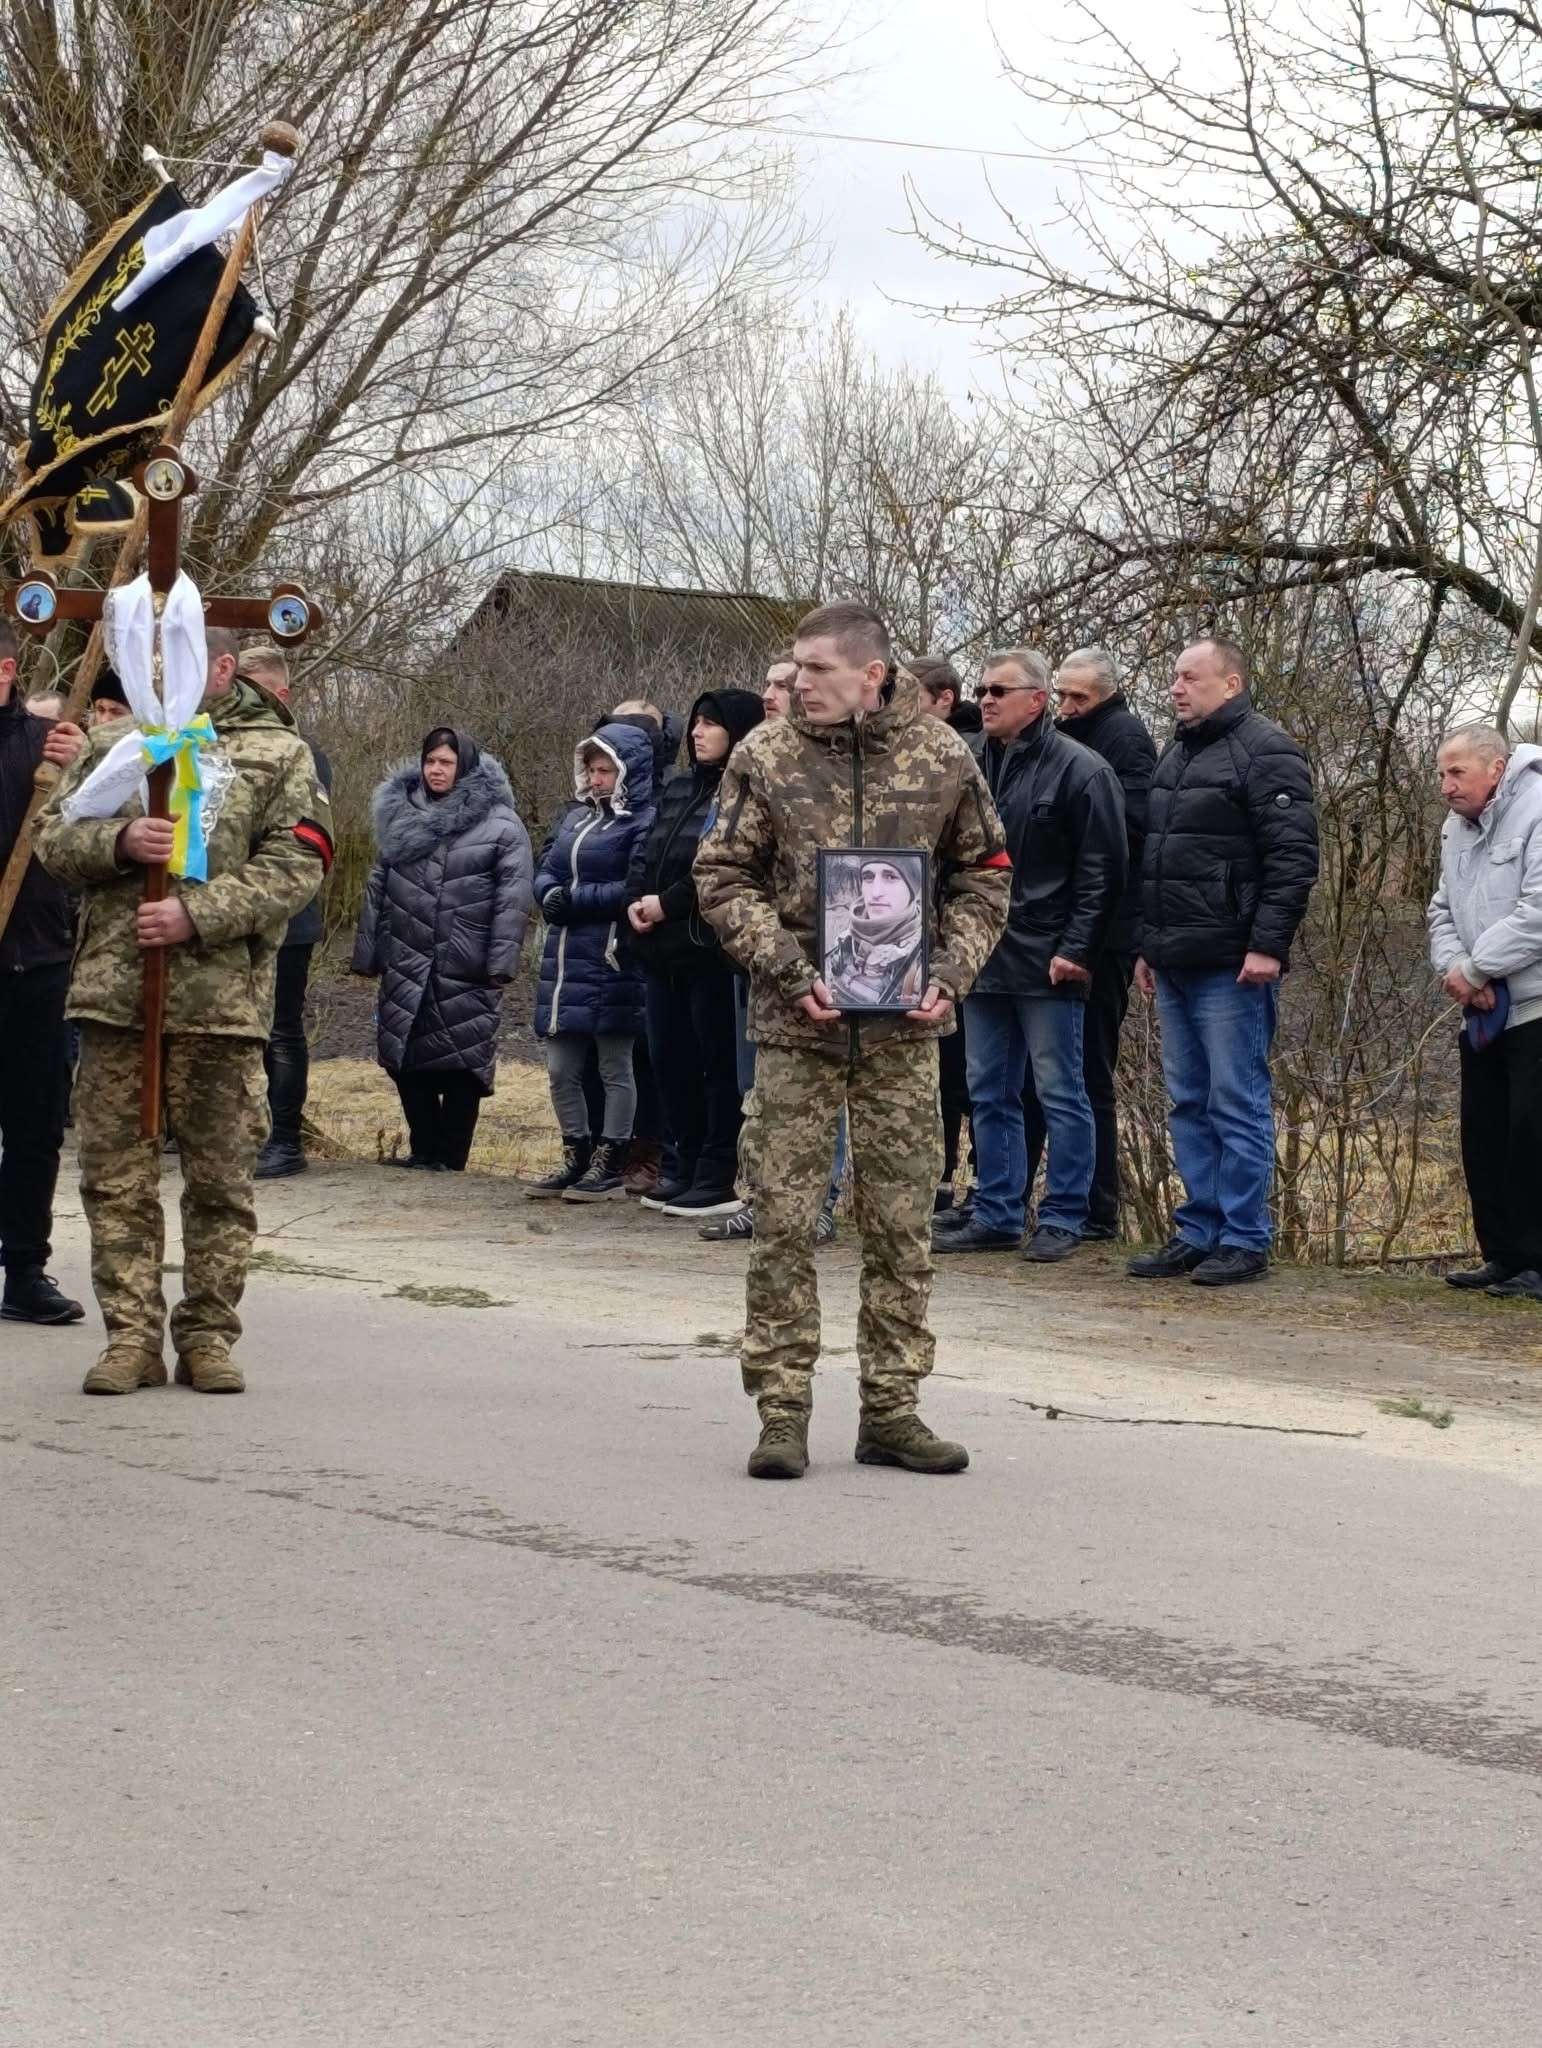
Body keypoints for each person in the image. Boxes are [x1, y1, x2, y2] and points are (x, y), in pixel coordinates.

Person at [695, 600, 1011, 1480]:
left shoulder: (944, 756)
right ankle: (783, 1411)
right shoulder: (767, 755)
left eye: (820, 670)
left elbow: (985, 877)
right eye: (794, 669)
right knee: (786, 1221)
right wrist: (792, 974)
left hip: (905, 1035)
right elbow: (721, 876)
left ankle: (892, 1409)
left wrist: (950, 974)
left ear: (873, 675)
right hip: (798, 1026)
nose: (799, 685)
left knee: (903, 1225)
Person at [35, 626, 333, 1394]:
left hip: (219, 1005)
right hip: (115, 997)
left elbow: (300, 862)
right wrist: (121, 840)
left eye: (175, 664)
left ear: (223, 667)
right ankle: (130, 1337)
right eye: (149, 663)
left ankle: (206, 1334)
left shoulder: (278, 753)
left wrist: (199, 914)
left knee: (219, 1183)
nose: (154, 675)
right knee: (115, 1181)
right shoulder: (115, 744)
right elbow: (51, 841)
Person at [1127, 638, 1318, 1287]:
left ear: (1230, 683)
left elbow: (1292, 859)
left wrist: (1268, 943)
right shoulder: (1176, 753)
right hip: (1174, 960)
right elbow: (1155, 860)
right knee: (1187, 1101)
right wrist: (1146, 950)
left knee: (1235, 1100)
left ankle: (1243, 1237)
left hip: (1233, 964)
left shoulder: (1267, 751)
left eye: (1190, 677)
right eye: (1173, 676)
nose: (1176, 687)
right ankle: (1198, 1231)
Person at [936, 648, 1126, 1261]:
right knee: (987, 1088)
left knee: (1058, 1090)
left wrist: (1079, 949)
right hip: (983, 952)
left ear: (1036, 700)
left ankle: (1066, 1215)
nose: (986, 699)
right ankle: (997, 1209)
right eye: (983, 689)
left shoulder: (1082, 770)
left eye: (1000, 690)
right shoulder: (965, 766)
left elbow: (1103, 871)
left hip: (1050, 958)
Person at [701, 651, 845, 1247]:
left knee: (821, 1089)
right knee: (756, 1090)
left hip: (822, 961)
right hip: (756, 956)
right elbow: (724, 866)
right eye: (766, 683)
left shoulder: (825, 770)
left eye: (784, 685)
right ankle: (759, 1197)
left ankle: (822, 1202)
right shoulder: (753, 763)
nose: (771, 694)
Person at [1017, 647, 1157, 1239]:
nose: (1069, 708)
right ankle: (1025, 1192)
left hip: (1104, 932)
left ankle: (1098, 1204)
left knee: (1086, 1070)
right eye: (1063, 695)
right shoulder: (1055, 742)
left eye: (1081, 698)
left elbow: (1125, 828)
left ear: (1105, 695)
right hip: (1058, 923)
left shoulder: (1122, 738)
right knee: (1038, 1076)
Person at [353, 727, 533, 1173]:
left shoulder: (501, 824)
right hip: (407, 956)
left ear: (465, 766)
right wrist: (369, 952)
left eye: (446, 762)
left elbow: (513, 898)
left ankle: (450, 1160)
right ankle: (424, 1150)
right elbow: (377, 887)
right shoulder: (400, 815)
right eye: (430, 760)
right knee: (404, 1057)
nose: (436, 769)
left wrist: (500, 962)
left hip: (464, 960)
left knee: (462, 1064)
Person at [627, 688, 765, 1215]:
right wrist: (634, 902)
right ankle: (681, 1163)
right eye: (696, 723)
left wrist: (666, 904)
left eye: (711, 723)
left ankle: (716, 1170)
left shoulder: (743, 790)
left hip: (708, 949)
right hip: (661, 949)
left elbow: (716, 867)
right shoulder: (681, 785)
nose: (696, 732)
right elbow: (648, 851)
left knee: (716, 1065)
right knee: (669, 1061)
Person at [1428, 725, 1542, 1300]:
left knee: (1532, 1137)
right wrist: (1460, 973)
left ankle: (1537, 1263)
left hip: (1535, 1005)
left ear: (1496, 769)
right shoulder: (1456, 828)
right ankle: (1502, 1256)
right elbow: (1441, 908)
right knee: (1486, 1137)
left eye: (1457, 773)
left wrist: (1476, 969)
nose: (1446, 786)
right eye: (1442, 774)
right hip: (1484, 1011)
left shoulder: (1538, 810)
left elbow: (1538, 912)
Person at [0, 621, 87, 1325]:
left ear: (5, 669)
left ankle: (24, 1269)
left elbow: (90, 830)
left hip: (37, 962)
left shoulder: (46, 748)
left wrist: (82, 761)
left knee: (34, 1126)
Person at [528, 721, 656, 1200]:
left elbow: (634, 886)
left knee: (614, 1065)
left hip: (612, 954)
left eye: (607, 770)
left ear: (627, 771)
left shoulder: (644, 821)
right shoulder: (575, 818)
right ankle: (575, 1152)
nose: (598, 778)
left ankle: (611, 1156)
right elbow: (547, 869)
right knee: (562, 1066)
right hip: (564, 959)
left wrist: (575, 898)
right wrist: (548, 894)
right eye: (593, 769)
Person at [242, 643, 334, 1179]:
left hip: (289, 916)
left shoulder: (304, 754)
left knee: (281, 1030)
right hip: (238, 913)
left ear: (281, 693)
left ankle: (284, 1139)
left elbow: (303, 838)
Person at [910, 654, 980, 1204]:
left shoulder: (961, 758)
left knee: (969, 1077)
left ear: (942, 700)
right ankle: (935, 1179)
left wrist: (958, 947)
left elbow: (981, 865)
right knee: (941, 1081)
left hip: (960, 943)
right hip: (908, 942)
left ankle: (980, 1184)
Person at [823, 856, 929, 1010]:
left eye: (891, 877)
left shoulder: (926, 956)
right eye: (868, 877)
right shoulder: (844, 941)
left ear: (912, 889)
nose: (876, 892)